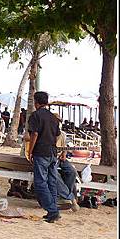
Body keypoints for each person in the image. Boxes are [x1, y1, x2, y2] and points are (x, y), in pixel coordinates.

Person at [27, 91, 61, 223]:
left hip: (41, 152)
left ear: (36, 102)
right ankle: (52, 210)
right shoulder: (53, 117)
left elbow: (34, 134)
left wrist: (30, 151)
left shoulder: (35, 116)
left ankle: (52, 211)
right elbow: (58, 135)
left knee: (40, 183)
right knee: (51, 182)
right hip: (53, 152)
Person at [53, 113, 80, 212]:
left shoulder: (62, 134)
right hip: (50, 159)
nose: (58, 122)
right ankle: (70, 198)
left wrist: (64, 153)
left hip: (59, 159)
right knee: (54, 174)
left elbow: (64, 147)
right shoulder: (47, 132)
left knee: (72, 171)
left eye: (59, 121)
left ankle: (64, 197)